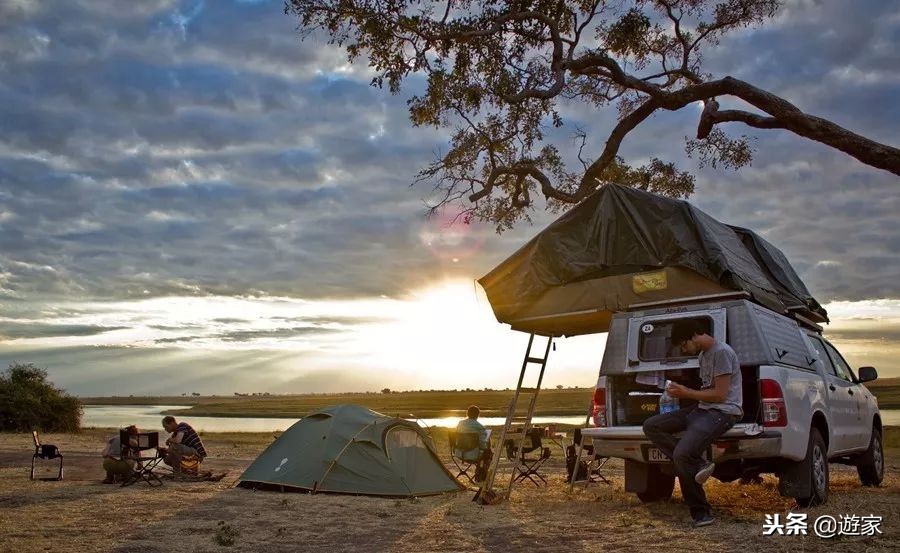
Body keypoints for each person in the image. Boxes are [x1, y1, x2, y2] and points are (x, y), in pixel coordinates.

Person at [642, 321, 743, 528]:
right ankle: (698, 464)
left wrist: (686, 393)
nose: (684, 350)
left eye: (683, 345)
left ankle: (701, 512)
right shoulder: (703, 355)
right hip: (703, 409)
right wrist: (683, 392)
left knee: (681, 455)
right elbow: (708, 391)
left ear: (693, 336)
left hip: (724, 412)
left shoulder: (721, 353)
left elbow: (720, 395)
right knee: (651, 425)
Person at [455, 405, 492, 482]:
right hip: (473, 455)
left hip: (458, 453)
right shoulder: (479, 427)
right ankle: (481, 477)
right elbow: (483, 445)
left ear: (467, 414)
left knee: (485, 452)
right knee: (488, 454)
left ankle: (479, 474)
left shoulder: (460, 423)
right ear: (478, 415)